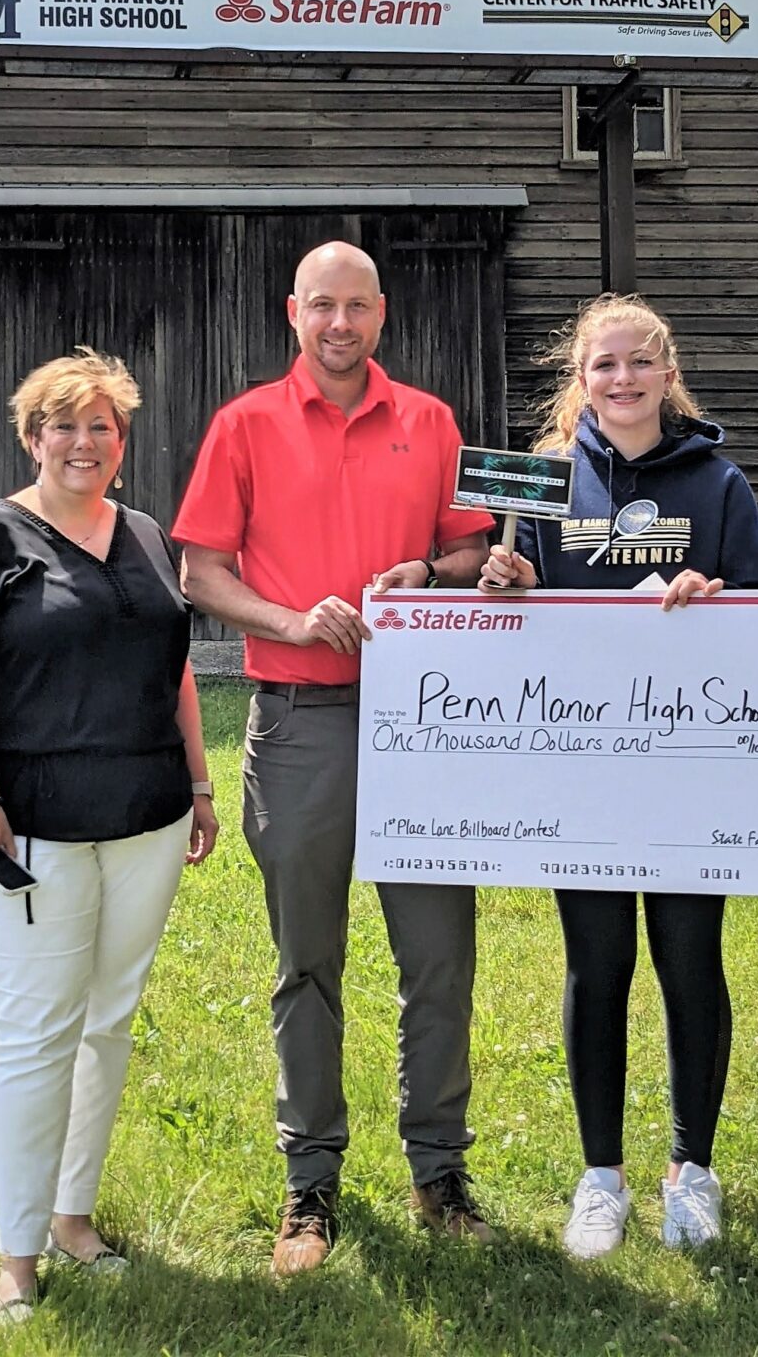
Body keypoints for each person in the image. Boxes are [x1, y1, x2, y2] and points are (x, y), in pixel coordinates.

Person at [174, 240, 494, 1274]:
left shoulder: (431, 422)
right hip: (299, 715)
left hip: (426, 718)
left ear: (381, 313)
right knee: (305, 958)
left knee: (438, 954)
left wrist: (430, 565)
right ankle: (309, 1182)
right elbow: (201, 570)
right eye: (323, 305)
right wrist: (290, 618)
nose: (340, 323)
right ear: (293, 312)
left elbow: (473, 550)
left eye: (357, 305)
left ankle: (438, 1167)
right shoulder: (245, 424)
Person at [0, 347, 219, 1326]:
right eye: (65, 424)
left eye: (102, 426)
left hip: (144, 816)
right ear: (32, 434)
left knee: (107, 1018)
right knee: (37, 1030)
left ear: (121, 443)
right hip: (30, 822)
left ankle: (73, 1217)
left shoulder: (139, 531)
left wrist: (201, 783)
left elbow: (171, 666)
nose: (83, 441)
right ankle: (15, 1256)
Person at [479, 293, 758, 1259]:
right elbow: (519, 605)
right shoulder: (547, 482)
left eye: (640, 363)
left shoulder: (719, 483)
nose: (623, 380)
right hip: (583, 768)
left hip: (690, 766)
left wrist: (716, 591)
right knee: (595, 964)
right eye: (604, 365)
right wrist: (510, 583)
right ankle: (598, 1175)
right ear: (581, 380)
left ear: (667, 374)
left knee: (690, 961)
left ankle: (693, 1169)